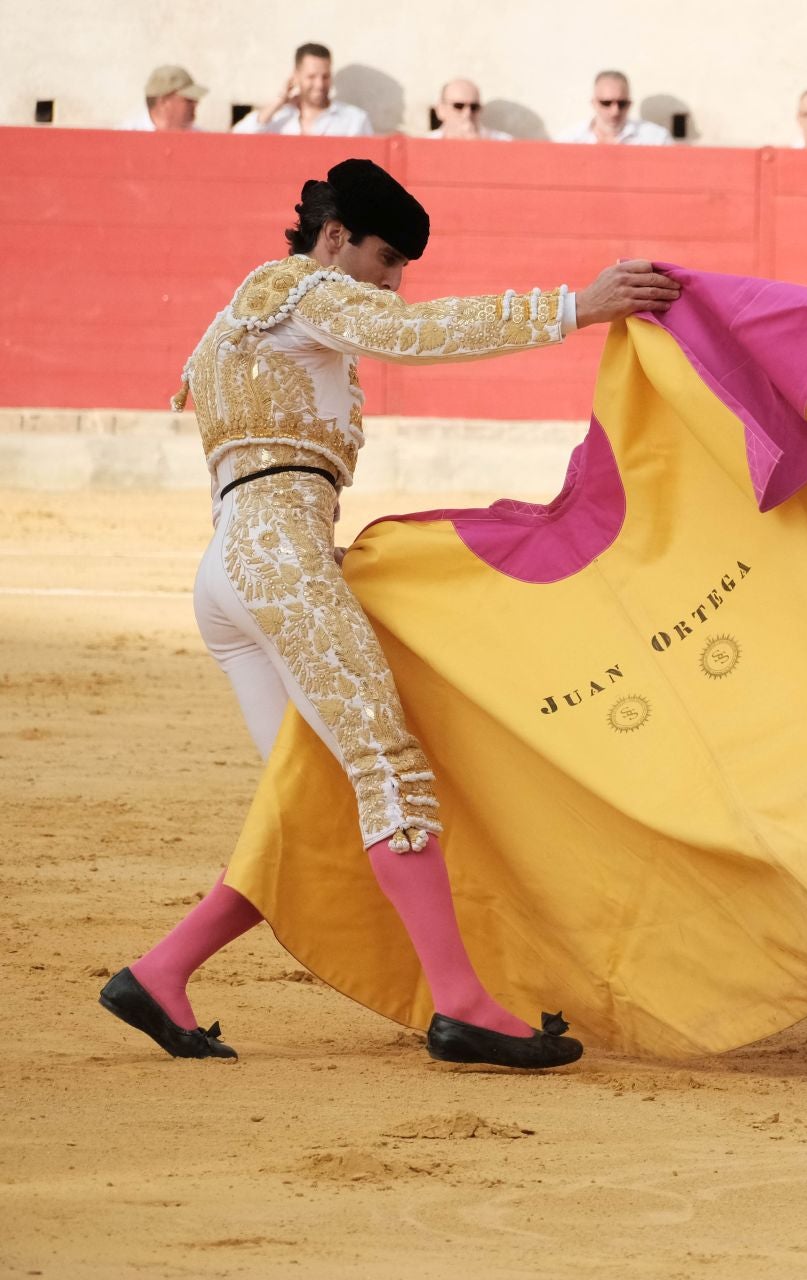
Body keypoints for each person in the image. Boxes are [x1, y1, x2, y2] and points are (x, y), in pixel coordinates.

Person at [98, 158, 680, 1069]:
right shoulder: (303, 288)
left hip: (238, 564)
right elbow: (421, 334)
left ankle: (160, 972)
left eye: (402, 265)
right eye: (385, 257)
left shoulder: (239, 320)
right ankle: (461, 1006)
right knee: (387, 768)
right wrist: (577, 306)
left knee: (319, 799)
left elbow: (261, 461)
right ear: (335, 238)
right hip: (277, 561)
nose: (393, 280)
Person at [232, 42, 373, 137]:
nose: (319, 85)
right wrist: (279, 101)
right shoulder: (278, 116)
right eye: (311, 77)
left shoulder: (355, 119)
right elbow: (236, 139)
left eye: (325, 76)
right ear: (296, 76)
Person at [557, 71, 671, 145]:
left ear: (630, 103)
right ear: (594, 103)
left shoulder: (656, 138)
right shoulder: (569, 139)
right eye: (606, 103)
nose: (615, 111)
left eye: (622, 104)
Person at [119, 65, 207, 132]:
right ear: (163, 102)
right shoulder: (126, 136)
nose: (195, 104)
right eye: (188, 100)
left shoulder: (200, 138)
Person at [427, 78, 510, 140]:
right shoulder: (426, 143)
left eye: (474, 107)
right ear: (440, 110)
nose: (467, 114)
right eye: (458, 106)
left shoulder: (503, 141)